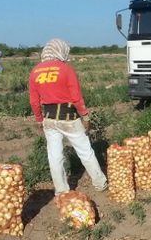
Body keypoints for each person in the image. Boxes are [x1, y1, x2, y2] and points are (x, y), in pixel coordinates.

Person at [29, 38, 107, 194]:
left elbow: (34, 101)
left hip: (49, 119)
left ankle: (61, 191)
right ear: (61, 50)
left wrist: (39, 119)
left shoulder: (35, 71)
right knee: (85, 151)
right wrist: (85, 116)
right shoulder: (66, 69)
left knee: (55, 156)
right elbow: (76, 96)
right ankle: (100, 183)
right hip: (68, 118)